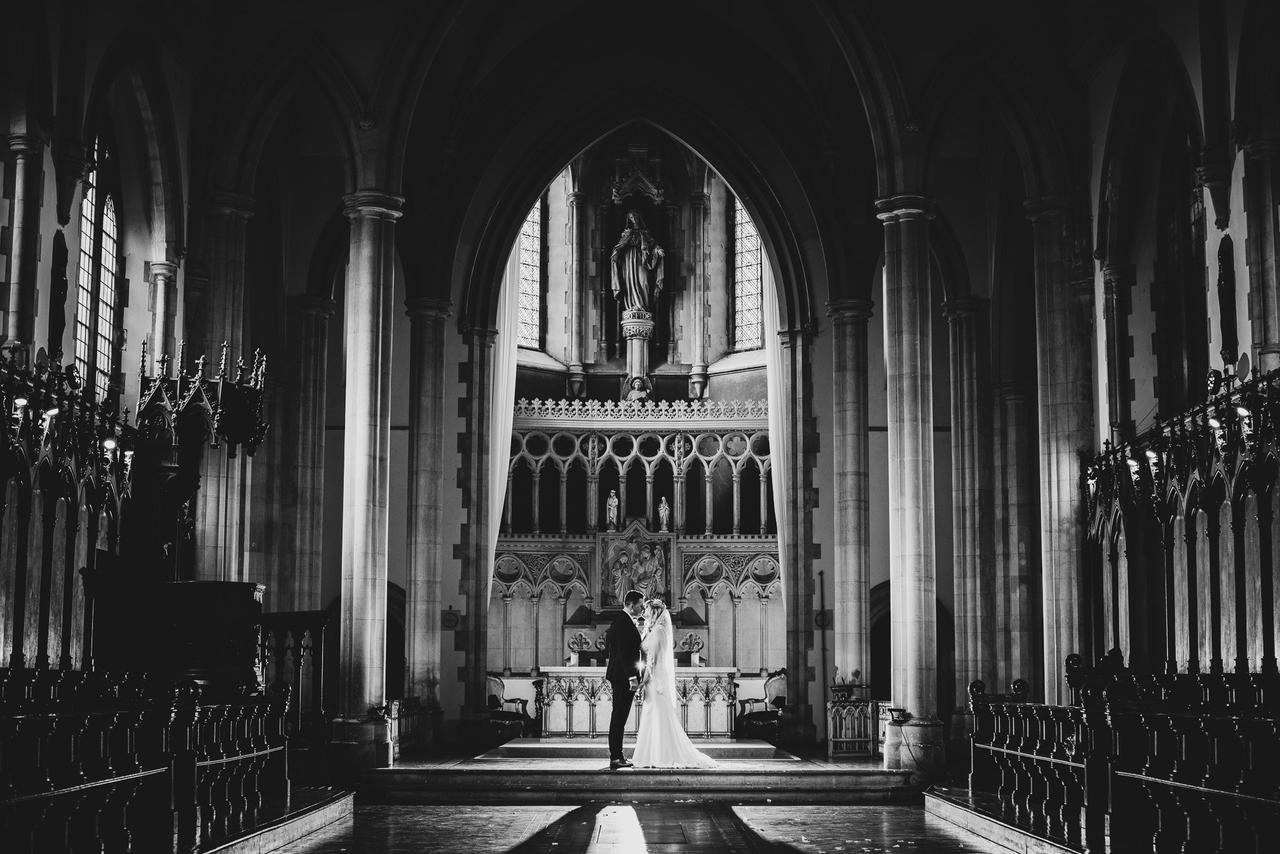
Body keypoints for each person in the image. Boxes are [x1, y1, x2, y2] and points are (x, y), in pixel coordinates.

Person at [631, 598, 717, 769]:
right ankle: (652, 754)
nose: (644, 612)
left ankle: (662, 754)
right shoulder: (654, 629)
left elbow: (652, 661)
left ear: (654, 612)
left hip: (655, 680)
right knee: (652, 715)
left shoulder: (658, 631)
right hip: (653, 680)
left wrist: (643, 682)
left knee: (658, 716)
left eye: (646, 609)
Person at [604, 590, 646, 770]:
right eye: (640, 605)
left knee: (619, 716)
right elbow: (623, 653)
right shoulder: (622, 621)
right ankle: (615, 756)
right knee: (619, 716)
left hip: (621, 675)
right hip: (623, 677)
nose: (643, 608)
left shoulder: (624, 620)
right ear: (630, 604)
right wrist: (631, 676)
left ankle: (618, 755)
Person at [610, 210, 664, 313]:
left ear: (639, 217)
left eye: (635, 216)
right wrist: (616, 253)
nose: (634, 219)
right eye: (631, 217)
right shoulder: (626, 233)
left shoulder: (645, 233)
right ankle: (631, 306)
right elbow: (619, 247)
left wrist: (658, 250)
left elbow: (653, 245)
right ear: (628, 219)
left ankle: (643, 306)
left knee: (644, 282)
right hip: (628, 261)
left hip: (642, 260)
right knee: (629, 283)